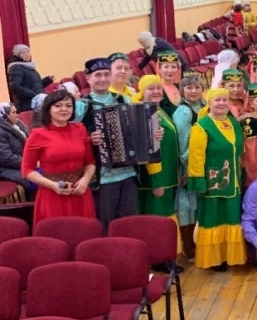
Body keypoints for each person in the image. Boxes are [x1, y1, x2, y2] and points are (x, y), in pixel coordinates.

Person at [74, 58, 147, 229]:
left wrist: (152, 133)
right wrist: (89, 139)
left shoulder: (124, 100)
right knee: (105, 224)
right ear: (88, 78)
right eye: (97, 75)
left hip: (129, 174)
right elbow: (71, 139)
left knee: (129, 223)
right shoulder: (81, 107)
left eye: (106, 74)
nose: (103, 79)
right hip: (102, 177)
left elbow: (139, 130)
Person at [186, 88, 247, 271]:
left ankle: (229, 256)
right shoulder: (201, 126)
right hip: (212, 184)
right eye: (217, 100)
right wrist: (199, 181)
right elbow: (196, 157)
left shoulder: (233, 123)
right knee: (213, 220)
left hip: (232, 182)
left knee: (230, 219)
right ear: (209, 103)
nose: (221, 103)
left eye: (224, 100)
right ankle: (214, 259)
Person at [22, 90, 96, 224]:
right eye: (58, 105)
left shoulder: (80, 129)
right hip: (52, 193)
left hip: (80, 192)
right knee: (56, 233)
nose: (64, 109)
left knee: (84, 231)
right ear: (48, 109)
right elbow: (27, 170)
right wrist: (53, 185)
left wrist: (85, 181)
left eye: (69, 106)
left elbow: (90, 163)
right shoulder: (38, 134)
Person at [134, 76, 181, 240]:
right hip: (155, 180)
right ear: (142, 91)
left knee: (165, 215)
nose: (156, 92)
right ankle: (159, 252)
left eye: (158, 88)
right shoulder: (143, 112)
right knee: (157, 219)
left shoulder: (157, 109)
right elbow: (149, 150)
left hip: (166, 177)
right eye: (151, 88)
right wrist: (157, 181)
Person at [172, 73, 205, 260]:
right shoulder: (183, 112)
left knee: (199, 206)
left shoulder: (204, 107)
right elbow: (183, 144)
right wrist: (190, 168)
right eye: (189, 88)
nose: (193, 91)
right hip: (189, 166)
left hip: (204, 163)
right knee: (187, 207)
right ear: (182, 91)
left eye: (197, 87)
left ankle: (200, 244)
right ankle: (188, 247)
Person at [7, 44, 53, 112]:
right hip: (26, 104)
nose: (27, 55)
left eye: (28, 52)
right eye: (23, 53)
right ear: (18, 55)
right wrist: (32, 94)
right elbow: (15, 87)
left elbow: (35, 85)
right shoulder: (15, 67)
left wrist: (47, 80)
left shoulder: (29, 66)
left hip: (36, 102)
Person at [0, 103, 29, 187]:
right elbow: (7, 158)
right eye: (13, 113)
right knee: (37, 177)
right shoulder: (1, 132)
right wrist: (29, 162)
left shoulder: (17, 125)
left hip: (22, 161)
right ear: (5, 116)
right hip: (6, 168)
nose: (17, 115)